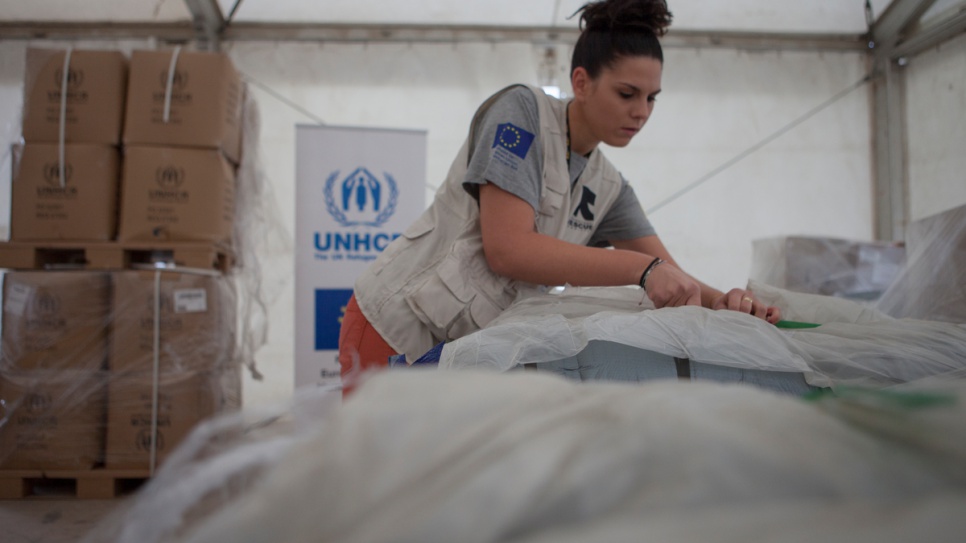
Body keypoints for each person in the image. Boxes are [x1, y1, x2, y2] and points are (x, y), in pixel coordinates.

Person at [339, 0, 781, 382]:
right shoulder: (521, 114)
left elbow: (669, 272)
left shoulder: (608, 186)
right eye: (628, 93)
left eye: (651, 98)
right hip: (395, 326)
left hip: (461, 348)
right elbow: (508, 249)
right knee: (384, 472)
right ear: (581, 82)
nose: (641, 112)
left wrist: (724, 302)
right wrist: (643, 270)